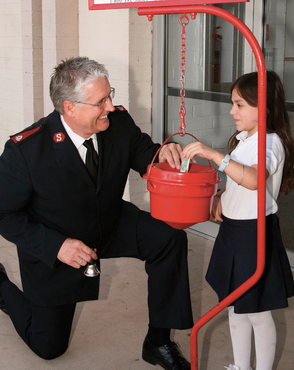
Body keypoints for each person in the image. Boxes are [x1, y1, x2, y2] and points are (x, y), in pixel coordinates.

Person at [0, 56, 194, 369]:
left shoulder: (117, 122)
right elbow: (4, 215)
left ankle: (158, 341)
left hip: (111, 222)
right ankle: (2, 286)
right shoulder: (24, 152)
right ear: (69, 107)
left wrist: (162, 156)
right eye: (101, 101)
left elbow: (144, 152)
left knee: (169, 238)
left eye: (110, 95)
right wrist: (57, 246)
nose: (110, 106)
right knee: (48, 348)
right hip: (60, 243)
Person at [182, 71, 294, 370]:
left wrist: (213, 155)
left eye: (240, 104)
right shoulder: (248, 139)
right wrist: (221, 196)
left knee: (257, 312)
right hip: (234, 230)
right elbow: (239, 180)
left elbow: (256, 179)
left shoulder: (270, 144)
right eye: (233, 103)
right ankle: (242, 367)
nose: (232, 111)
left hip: (253, 234)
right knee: (234, 305)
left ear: (265, 108)